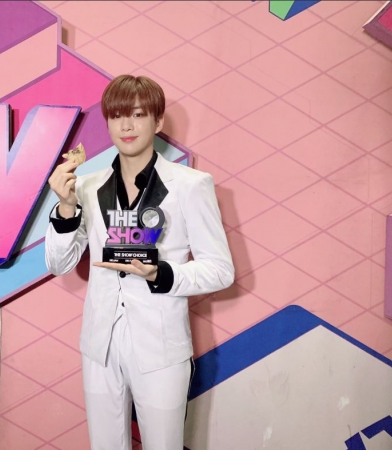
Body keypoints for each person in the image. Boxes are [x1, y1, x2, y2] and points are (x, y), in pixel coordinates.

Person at [45, 75, 234, 450]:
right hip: (99, 344)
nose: (126, 126)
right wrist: (66, 208)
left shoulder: (190, 185)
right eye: (117, 116)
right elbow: (58, 264)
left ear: (158, 121)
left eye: (137, 114)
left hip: (160, 346)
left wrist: (160, 274)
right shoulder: (85, 187)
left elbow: (220, 269)